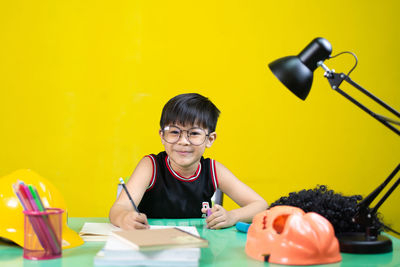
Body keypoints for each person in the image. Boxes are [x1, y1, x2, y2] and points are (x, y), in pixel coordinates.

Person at [109, 93, 268, 230]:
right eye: (174, 132)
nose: (183, 141)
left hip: (197, 248)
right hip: (152, 246)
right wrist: (124, 218)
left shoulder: (213, 170)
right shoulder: (150, 166)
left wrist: (232, 216)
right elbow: (118, 208)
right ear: (162, 136)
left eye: (193, 133)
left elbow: (260, 205)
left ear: (210, 139)